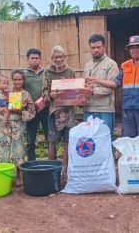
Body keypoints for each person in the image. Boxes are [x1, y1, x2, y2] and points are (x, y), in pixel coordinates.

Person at [86, 35, 139, 183]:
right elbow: (114, 84)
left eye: (138, 47)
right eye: (132, 47)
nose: (135, 50)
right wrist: (96, 80)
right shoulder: (125, 66)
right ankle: (130, 174)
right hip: (128, 110)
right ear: (129, 49)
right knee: (127, 141)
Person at [0, 69, 36, 186]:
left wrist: (20, 110)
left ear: (23, 80)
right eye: (15, 80)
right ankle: (3, 175)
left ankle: (18, 175)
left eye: (19, 79)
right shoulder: (5, 93)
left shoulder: (26, 95)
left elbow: (32, 113)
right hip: (3, 124)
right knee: (3, 149)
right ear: (12, 80)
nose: (17, 82)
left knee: (18, 150)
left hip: (18, 125)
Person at [42, 45, 76, 181]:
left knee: (68, 141)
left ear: (64, 57)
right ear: (52, 58)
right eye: (55, 57)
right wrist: (51, 95)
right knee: (52, 141)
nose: (58, 59)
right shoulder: (47, 72)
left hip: (69, 111)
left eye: (60, 57)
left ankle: (65, 171)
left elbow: (75, 90)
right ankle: (52, 171)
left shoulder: (71, 72)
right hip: (54, 111)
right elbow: (44, 92)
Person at [83, 34, 119, 134]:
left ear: (104, 47)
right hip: (89, 109)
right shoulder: (87, 65)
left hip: (105, 110)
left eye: (98, 47)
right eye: (93, 48)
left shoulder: (111, 64)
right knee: (88, 142)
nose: (96, 50)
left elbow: (111, 87)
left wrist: (92, 91)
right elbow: (84, 86)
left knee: (105, 140)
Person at [23, 48, 49, 161]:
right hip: (31, 111)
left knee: (50, 137)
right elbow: (20, 91)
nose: (35, 61)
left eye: (37, 58)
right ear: (28, 60)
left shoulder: (46, 72)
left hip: (46, 109)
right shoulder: (24, 75)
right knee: (30, 140)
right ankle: (31, 163)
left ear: (40, 59)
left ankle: (52, 161)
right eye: (32, 58)